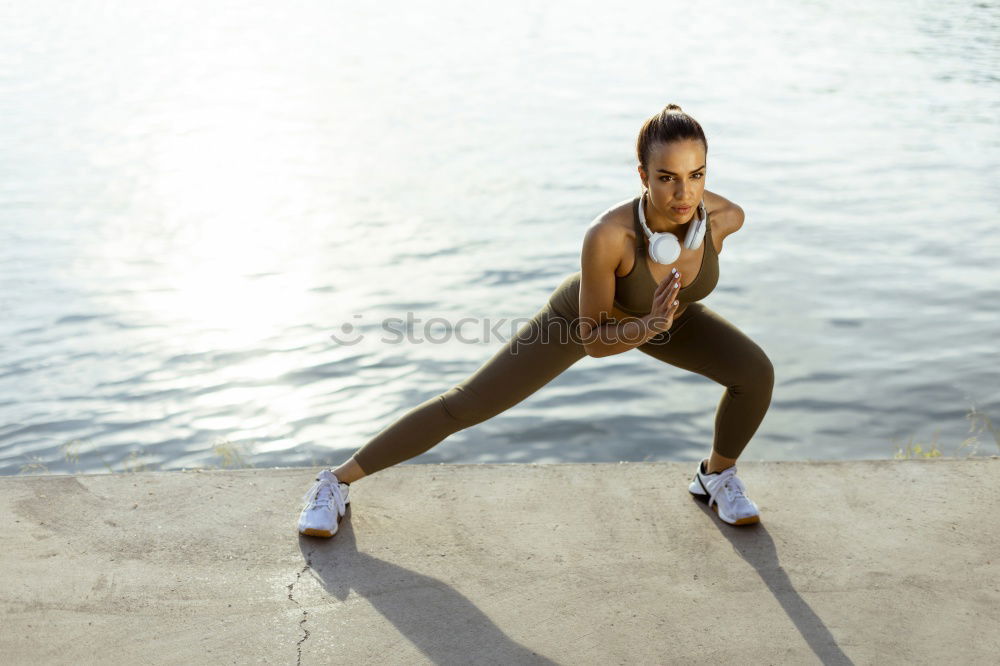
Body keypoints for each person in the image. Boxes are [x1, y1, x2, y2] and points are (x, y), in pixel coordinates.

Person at [298, 103, 774, 537]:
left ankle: (715, 476)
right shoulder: (609, 236)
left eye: (696, 175)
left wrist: (659, 319)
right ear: (643, 175)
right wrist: (646, 324)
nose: (684, 192)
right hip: (586, 320)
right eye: (667, 177)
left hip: (667, 315)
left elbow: (685, 284)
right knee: (466, 405)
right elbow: (594, 343)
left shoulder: (725, 218)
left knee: (754, 373)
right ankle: (335, 482)